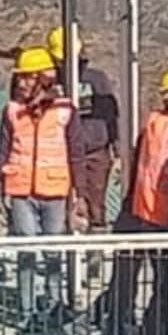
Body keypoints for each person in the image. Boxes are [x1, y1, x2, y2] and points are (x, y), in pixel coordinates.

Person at [96, 68, 168, 335]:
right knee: (166, 288)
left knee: (126, 284)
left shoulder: (153, 125)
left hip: (137, 212)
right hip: (163, 220)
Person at [0, 46, 77, 331]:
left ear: (44, 78)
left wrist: (78, 193)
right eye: (20, 77)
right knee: (26, 250)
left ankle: (55, 305)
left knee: (53, 251)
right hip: (21, 190)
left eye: (28, 77)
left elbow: (76, 152)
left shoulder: (65, 111)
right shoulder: (12, 111)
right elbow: (3, 152)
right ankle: (27, 311)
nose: (21, 83)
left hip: (55, 190)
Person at [47, 27, 126, 237]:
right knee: (59, 206)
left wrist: (117, 152)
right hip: (60, 152)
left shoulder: (97, 79)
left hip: (94, 151)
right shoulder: (49, 84)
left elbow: (111, 116)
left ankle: (95, 251)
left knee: (95, 205)